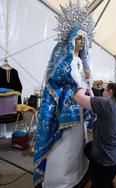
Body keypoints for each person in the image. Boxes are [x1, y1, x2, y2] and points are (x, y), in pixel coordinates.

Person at [33, 1, 95, 187]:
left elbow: (86, 81)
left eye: (84, 39)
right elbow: (54, 76)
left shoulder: (82, 61)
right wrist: (75, 81)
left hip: (81, 105)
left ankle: (77, 172)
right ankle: (59, 179)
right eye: (79, 38)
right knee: (65, 142)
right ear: (71, 39)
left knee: (78, 141)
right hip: (67, 105)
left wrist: (88, 80)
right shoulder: (63, 55)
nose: (82, 42)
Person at [74, 83, 116, 188]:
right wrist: (90, 91)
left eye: (105, 89)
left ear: (110, 91)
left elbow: (78, 97)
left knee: (100, 183)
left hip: (107, 162)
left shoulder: (106, 103)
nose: (102, 90)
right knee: (88, 147)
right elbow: (94, 109)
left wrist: (82, 87)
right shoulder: (115, 105)